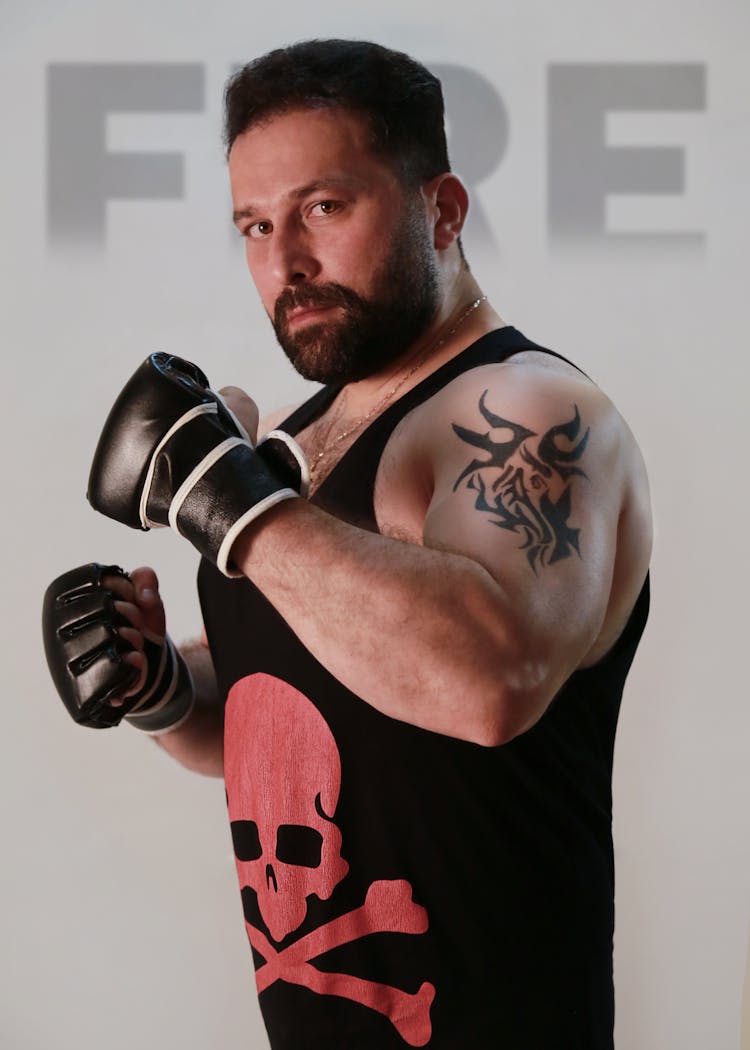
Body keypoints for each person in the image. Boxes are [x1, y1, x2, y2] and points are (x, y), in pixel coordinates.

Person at [43, 39, 652, 1049]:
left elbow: (487, 682)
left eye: (324, 208)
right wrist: (165, 690)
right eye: (255, 224)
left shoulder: (532, 413)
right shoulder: (294, 442)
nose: (286, 262)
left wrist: (230, 506)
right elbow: (285, 711)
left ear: (441, 209)